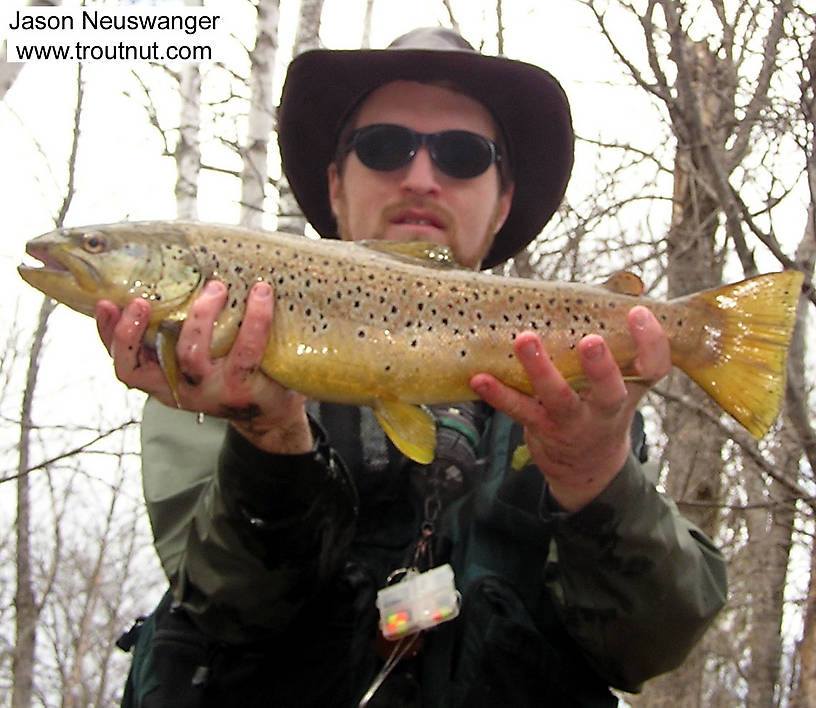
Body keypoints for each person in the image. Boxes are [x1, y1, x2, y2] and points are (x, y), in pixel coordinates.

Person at [102, 28, 727, 707]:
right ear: (335, 183)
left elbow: (650, 646)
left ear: (504, 202)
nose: (421, 177)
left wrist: (598, 478)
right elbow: (226, 608)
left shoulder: (584, 398)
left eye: (462, 155)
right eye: (384, 146)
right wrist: (270, 440)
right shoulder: (205, 365)